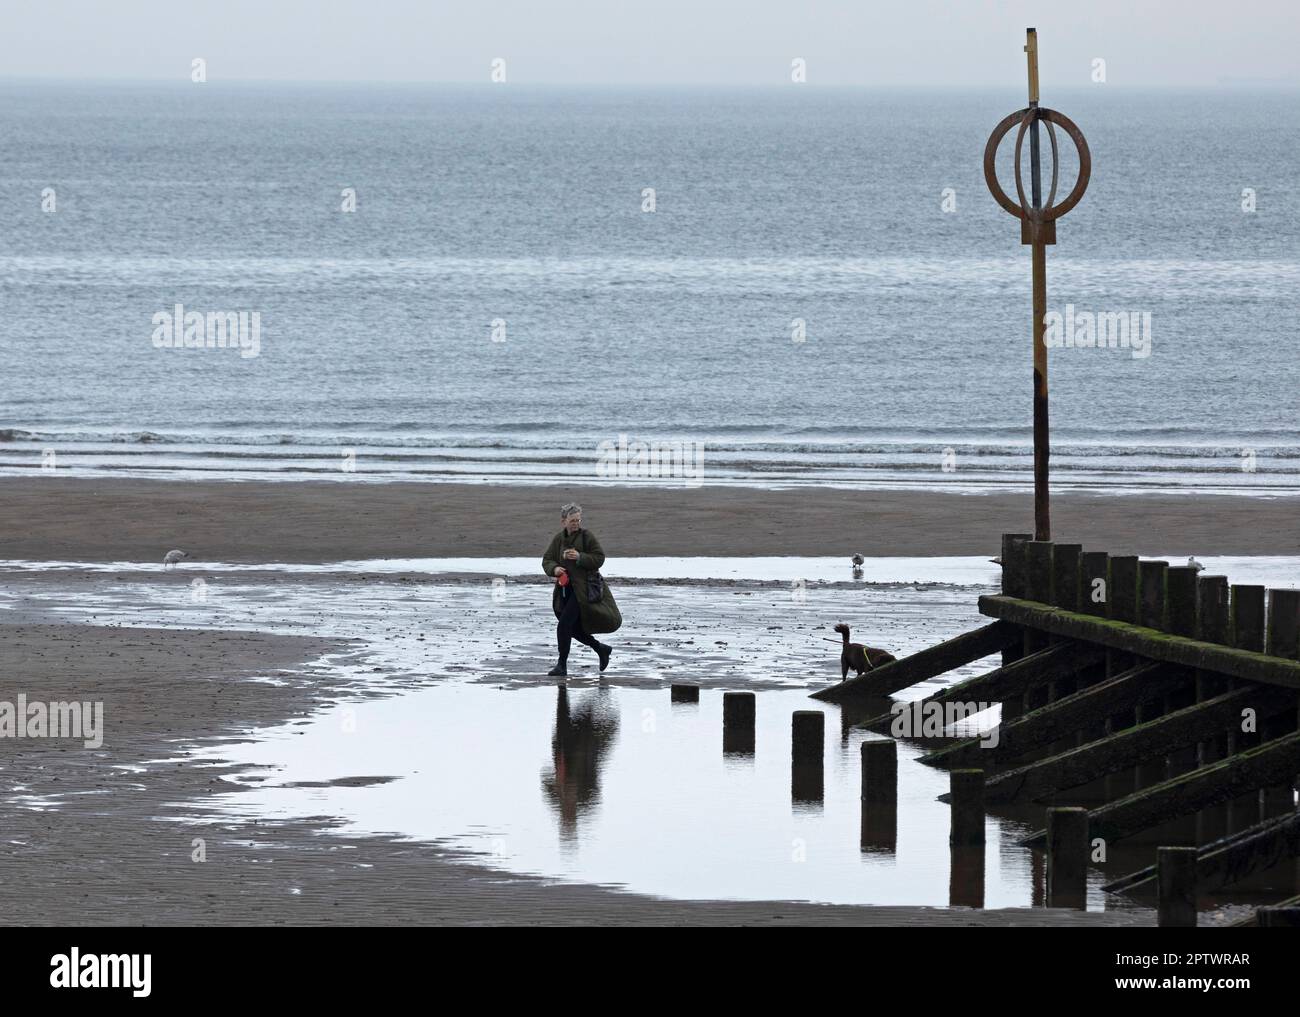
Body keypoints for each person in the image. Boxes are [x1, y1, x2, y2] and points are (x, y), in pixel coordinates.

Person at [541, 502, 621, 677]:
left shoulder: (587, 537)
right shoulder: (558, 539)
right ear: (564, 521)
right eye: (572, 520)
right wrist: (555, 569)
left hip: (583, 591)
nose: (576, 523)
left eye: (578, 520)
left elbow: (599, 558)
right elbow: (547, 560)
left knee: (564, 625)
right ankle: (601, 649)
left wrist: (580, 557)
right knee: (573, 628)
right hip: (565, 591)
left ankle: (562, 666)